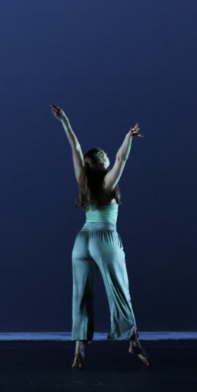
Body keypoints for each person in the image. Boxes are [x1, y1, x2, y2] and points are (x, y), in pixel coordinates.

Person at [50, 104, 149, 369]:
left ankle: (78, 350)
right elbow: (121, 159)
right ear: (103, 164)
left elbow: (75, 146)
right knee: (120, 291)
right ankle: (133, 342)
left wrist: (64, 120)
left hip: (82, 240)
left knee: (80, 295)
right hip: (105, 239)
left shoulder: (82, 179)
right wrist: (128, 138)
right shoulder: (108, 183)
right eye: (106, 159)